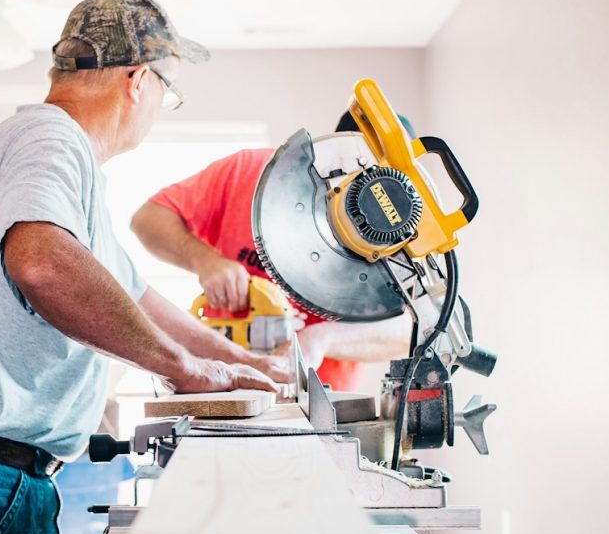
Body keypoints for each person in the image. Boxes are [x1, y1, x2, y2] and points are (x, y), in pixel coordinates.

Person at [0, 0, 290, 534]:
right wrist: (181, 368)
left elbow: (137, 296)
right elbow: (41, 265)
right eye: (167, 92)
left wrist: (240, 363)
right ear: (138, 80)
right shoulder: (51, 139)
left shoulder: (53, 155)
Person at [131, 112, 417, 392]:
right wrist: (204, 260)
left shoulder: (398, 235)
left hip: (319, 401)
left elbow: (412, 330)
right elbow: (148, 219)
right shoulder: (249, 171)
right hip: (220, 384)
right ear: (332, 147)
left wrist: (321, 338)